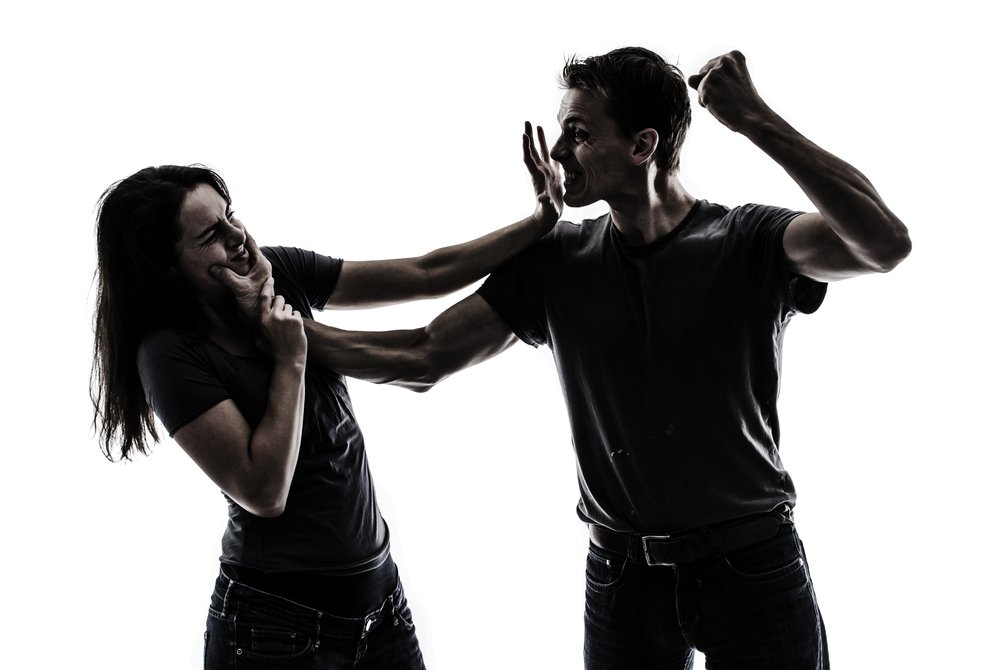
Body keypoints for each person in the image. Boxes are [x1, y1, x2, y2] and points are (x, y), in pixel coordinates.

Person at [293, 48, 911, 668]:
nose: (558, 152)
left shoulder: (748, 240)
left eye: (579, 134)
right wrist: (284, 334)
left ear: (643, 145)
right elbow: (424, 354)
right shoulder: (556, 259)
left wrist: (755, 119)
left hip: (754, 567)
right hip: (623, 579)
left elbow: (884, 243)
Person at [90, 126, 561, 669]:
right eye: (212, 235)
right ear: (167, 267)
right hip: (275, 626)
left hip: (380, 605)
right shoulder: (169, 354)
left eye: (231, 215)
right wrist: (290, 358)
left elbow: (424, 273)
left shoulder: (277, 271)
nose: (238, 236)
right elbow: (264, 491)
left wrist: (537, 222)